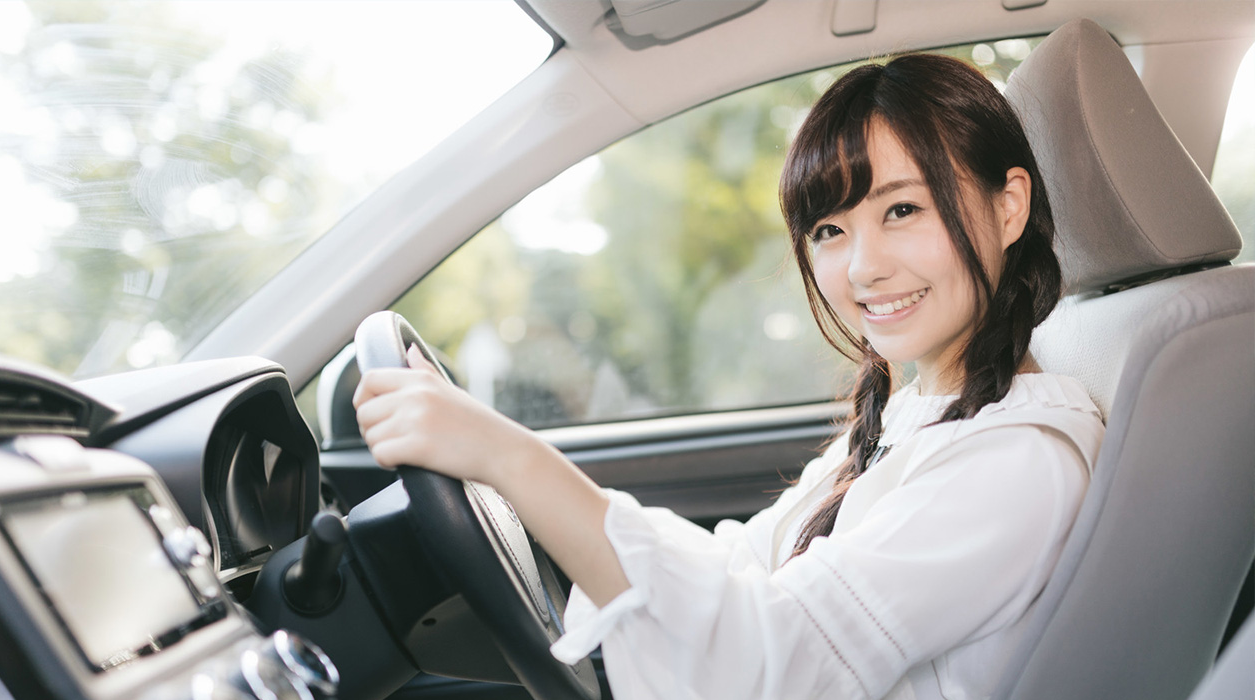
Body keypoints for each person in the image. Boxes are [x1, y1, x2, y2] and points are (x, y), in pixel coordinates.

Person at [353, 53, 1105, 700]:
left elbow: (768, 669)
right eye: (830, 231)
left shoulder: (1016, 460)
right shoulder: (924, 414)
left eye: (902, 209)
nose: (864, 267)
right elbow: (743, 562)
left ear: (1009, 207)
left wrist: (510, 460)